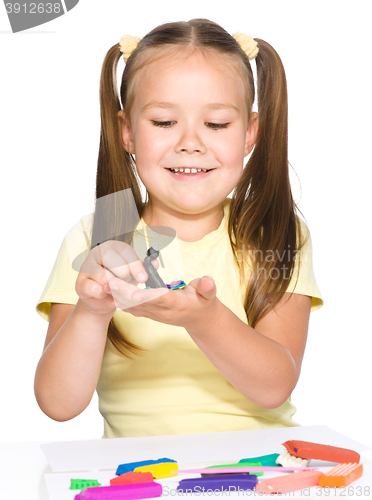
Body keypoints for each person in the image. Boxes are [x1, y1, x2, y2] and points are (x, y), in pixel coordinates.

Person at [34, 18, 323, 439]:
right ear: (128, 132)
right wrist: (91, 311)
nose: (190, 142)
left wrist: (204, 320)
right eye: (164, 122)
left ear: (249, 133)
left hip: (255, 467)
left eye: (217, 124)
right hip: (135, 476)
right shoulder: (103, 232)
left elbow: (274, 386)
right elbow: (58, 404)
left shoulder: (273, 233)